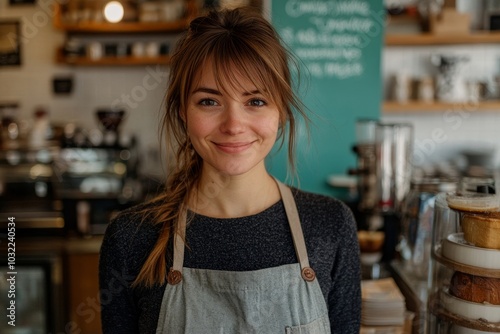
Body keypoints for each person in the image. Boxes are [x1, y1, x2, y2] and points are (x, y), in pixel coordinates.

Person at [99, 6, 361, 334]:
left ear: (282, 110)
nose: (234, 125)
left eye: (256, 101)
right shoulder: (131, 238)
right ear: (182, 110)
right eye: (210, 101)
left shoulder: (331, 226)